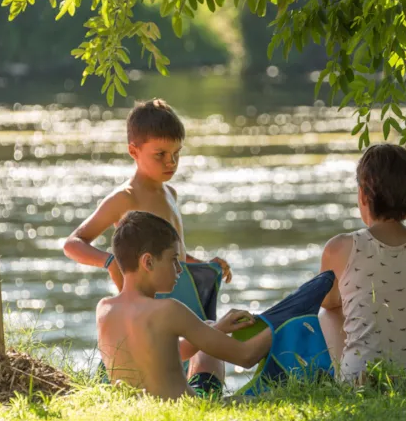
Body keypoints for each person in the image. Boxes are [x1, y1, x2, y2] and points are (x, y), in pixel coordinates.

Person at [97, 211, 271, 400]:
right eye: (173, 260)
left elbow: (161, 352)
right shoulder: (169, 310)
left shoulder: (104, 309)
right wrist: (280, 321)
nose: (180, 269)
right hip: (192, 409)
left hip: (139, 412)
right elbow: (246, 356)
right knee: (262, 398)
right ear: (148, 261)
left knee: (210, 326)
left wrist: (217, 329)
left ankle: (213, 329)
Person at [64, 99, 232, 292]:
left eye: (176, 153)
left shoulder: (170, 193)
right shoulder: (125, 198)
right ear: (134, 151)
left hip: (176, 299)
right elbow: (72, 244)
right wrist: (110, 261)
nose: (171, 162)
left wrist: (205, 266)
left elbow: (173, 256)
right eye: (160, 154)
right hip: (145, 308)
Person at [318, 143, 406, 382]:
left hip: (364, 376)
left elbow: (328, 303)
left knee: (327, 314)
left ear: (363, 195)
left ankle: (346, 376)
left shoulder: (339, 247)